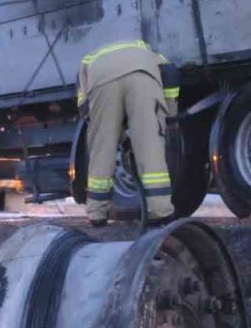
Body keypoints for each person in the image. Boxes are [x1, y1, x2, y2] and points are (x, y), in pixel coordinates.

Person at [77, 40, 181, 228]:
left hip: (100, 81)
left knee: (102, 150)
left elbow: (84, 105)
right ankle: (160, 211)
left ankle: (96, 214)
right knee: (150, 147)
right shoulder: (147, 51)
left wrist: (105, 130)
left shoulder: (89, 58)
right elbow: (171, 73)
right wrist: (171, 116)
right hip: (142, 77)